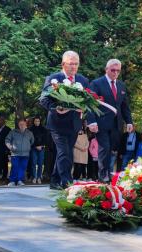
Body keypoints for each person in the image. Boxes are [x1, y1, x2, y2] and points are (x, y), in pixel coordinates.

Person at [39, 50, 96, 190]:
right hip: (57, 124)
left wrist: (85, 111)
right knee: (66, 153)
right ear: (63, 64)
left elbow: (89, 101)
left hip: (74, 124)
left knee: (63, 153)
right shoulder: (53, 78)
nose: (74, 67)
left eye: (76, 64)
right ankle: (67, 183)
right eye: (71, 64)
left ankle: (54, 181)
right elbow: (43, 99)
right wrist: (56, 108)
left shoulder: (83, 80)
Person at [88, 59, 133, 183]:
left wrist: (129, 121)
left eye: (118, 70)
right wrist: (91, 121)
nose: (115, 73)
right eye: (113, 70)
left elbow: (124, 106)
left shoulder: (121, 85)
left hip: (116, 124)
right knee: (104, 148)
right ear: (106, 69)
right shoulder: (96, 83)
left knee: (112, 150)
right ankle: (103, 176)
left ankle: (108, 173)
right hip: (101, 123)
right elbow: (90, 104)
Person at [5, 119, 34, 186]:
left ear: (25, 124)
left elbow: (32, 141)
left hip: (25, 154)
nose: (22, 125)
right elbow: (7, 140)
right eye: (20, 124)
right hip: (15, 153)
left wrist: (27, 147)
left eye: (23, 124)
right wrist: (10, 147)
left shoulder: (29, 133)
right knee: (15, 167)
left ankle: (19, 180)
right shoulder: (13, 132)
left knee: (22, 167)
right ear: (18, 125)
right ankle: (12, 181)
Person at [29, 116, 47, 184]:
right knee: (33, 163)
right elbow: (30, 140)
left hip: (41, 148)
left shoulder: (43, 129)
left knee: (40, 163)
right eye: (36, 121)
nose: (37, 122)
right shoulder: (31, 129)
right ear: (34, 122)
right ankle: (34, 177)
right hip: (33, 148)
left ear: (40, 122)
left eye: (38, 121)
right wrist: (35, 146)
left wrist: (41, 146)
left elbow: (45, 139)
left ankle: (39, 177)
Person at [0, 115, 11, 181]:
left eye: (1, 120)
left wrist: (8, 149)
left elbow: (9, 140)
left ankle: (4, 176)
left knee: (4, 163)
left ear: (4, 121)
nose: (0, 121)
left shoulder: (8, 129)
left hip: (4, 149)